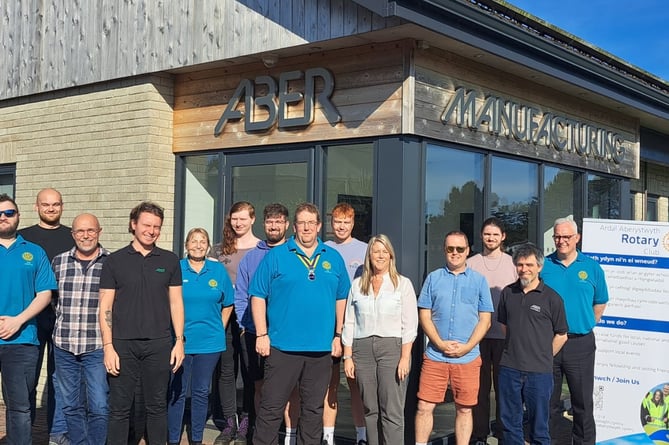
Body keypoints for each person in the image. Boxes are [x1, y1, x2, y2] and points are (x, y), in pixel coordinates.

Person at [250, 202, 350, 445]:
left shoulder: (333, 258)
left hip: (321, 350)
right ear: (294, 226)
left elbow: (342, 297)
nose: (306, 228)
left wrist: (339, 335)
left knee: (313, 411)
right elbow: (257, 295)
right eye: (301, 223)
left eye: (311, 223)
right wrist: (262, 334)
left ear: (318, 226)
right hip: (282, 348)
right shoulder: (277, 256)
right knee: (271, 409)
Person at [99, 201, 185, 445]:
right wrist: (108, 346)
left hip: (159, 344)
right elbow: (105, 306)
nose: (152, 230)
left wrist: (179, 341)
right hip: (122, 344)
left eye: (157, 226)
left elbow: (176, 303)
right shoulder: (114, 261)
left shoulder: (169, 260)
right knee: (119, 409)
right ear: (133, 224)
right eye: (147, 225)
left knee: (157, 407)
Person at [415, 231, 494, 445]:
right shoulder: (433, 278)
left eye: (460, 249)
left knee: (465, 409)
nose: (455, 253)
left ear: (468, 251)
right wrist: (439, 343)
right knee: (424, 407)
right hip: (435, 355)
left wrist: (467, 347)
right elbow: (424, 315)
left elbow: (485, 320)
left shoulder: (479, 281)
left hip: (467, 358)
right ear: (444, 250)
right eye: (451, 249)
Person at [342, 234, 418, 445]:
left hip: (392, 348)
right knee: (370, 408)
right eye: (376, 251)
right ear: (369, 256)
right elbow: (349, 322)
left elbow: (410, 324)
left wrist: (405, 357)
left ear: (391, 256)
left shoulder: (402, 284)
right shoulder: (357, 285)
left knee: (391, 410)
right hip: (362, 349)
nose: (380, 255)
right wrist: (347, 356)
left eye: (384, 251)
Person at [541, 216, 609, 445]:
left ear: (577, 238)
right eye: (557, 236)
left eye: (566, 236)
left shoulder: (591, 267)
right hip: (547, 344)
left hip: (580, 344)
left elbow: (600, 302)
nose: (561, 241)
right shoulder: (544, 265)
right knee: (546, 402)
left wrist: (584, 322)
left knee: (582, 403)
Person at [168, 228, 234, 445]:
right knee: (177, 392)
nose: (198, 245)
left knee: (200, 391)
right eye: (193, 241)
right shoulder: (177, 268)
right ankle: (173, 438)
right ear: (186, 245)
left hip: (210, 343)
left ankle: (196, 438)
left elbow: (228, 303)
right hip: (180, 342)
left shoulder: (217, 270)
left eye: (202, 241)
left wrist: (219, 327)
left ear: (207, 246)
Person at [497, 243, 568, 445]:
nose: (524, 269)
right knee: (510, 424)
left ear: (539, 267)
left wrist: (544, 355)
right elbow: (504, 327)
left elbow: (561, 335)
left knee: (539, 427)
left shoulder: (552, 298)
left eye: (529, 264)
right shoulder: (508, 293)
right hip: (510, 369)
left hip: (539, 373)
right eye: (519, 264)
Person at [18, 187, 74, 445]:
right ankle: (23, 433)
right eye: (46, 204)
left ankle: (57, 433)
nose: (51, 208)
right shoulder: (22, 238)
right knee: (27, 378)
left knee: (59, 378)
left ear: (62, 206)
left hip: (63, 318)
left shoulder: (72, 237)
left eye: (56, 204)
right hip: (29, 319)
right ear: (36, 206)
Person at [0, 193, 57, 445]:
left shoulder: (34, 252)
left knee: (20, 407)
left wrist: (17, 320)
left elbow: (44, 294)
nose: (3, 217)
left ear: (18, 216)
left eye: (9, 212)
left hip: (22, 340)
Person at [51, 213, 110, 445]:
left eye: (91, 231)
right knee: (70, 404)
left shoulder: (111, 262)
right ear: (72, 234)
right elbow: (53, 301)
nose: (86, 236)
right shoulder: (59, 262)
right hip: (64, 344)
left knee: (99, 404)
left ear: (99, 232)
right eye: (80, 231)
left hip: (96, 345)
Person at [234, 204, 290, 437]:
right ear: (263, 223)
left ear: (286, 224)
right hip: (253, 333)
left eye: (278, 221)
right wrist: (244, 328)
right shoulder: (251, 258)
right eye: (270, 221)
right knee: (258, 385)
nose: (274, 226)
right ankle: (263, 434)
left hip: (284, 334)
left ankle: (287, 434)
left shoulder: (293, 254)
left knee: (287, 388)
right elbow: (241, 295)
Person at [211, 201, 261, 445]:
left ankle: (246, 422)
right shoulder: (218, 250)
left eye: (243, 218)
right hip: (223, 318)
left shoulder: (263, 249)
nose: (238, 223)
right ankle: (229, 422)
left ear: (253, 219)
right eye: (234, 218)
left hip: (251, 320)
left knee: (250, 371)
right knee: (226, 370)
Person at [467, 217, 517, 445]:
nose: (491, 238)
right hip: (477, 337)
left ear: (503, 237)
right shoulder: (471, 263)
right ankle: (479, 435)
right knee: (479, 389)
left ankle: (503, 433)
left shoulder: (513, 263)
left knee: (504, 388)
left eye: (495, 234)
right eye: (487, 234)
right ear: (481, 236)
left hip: (505, 336)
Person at [321, 202, 368, 445]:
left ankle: (361, 436)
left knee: (355, 384)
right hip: (328, 325)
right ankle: (328, 437)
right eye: (337, 222)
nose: (341, 226)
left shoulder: (365, 250)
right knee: (329, 385)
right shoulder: (322, 249)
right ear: (331, 224)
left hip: (357, 326)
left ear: (353, 224)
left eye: (346, 222)